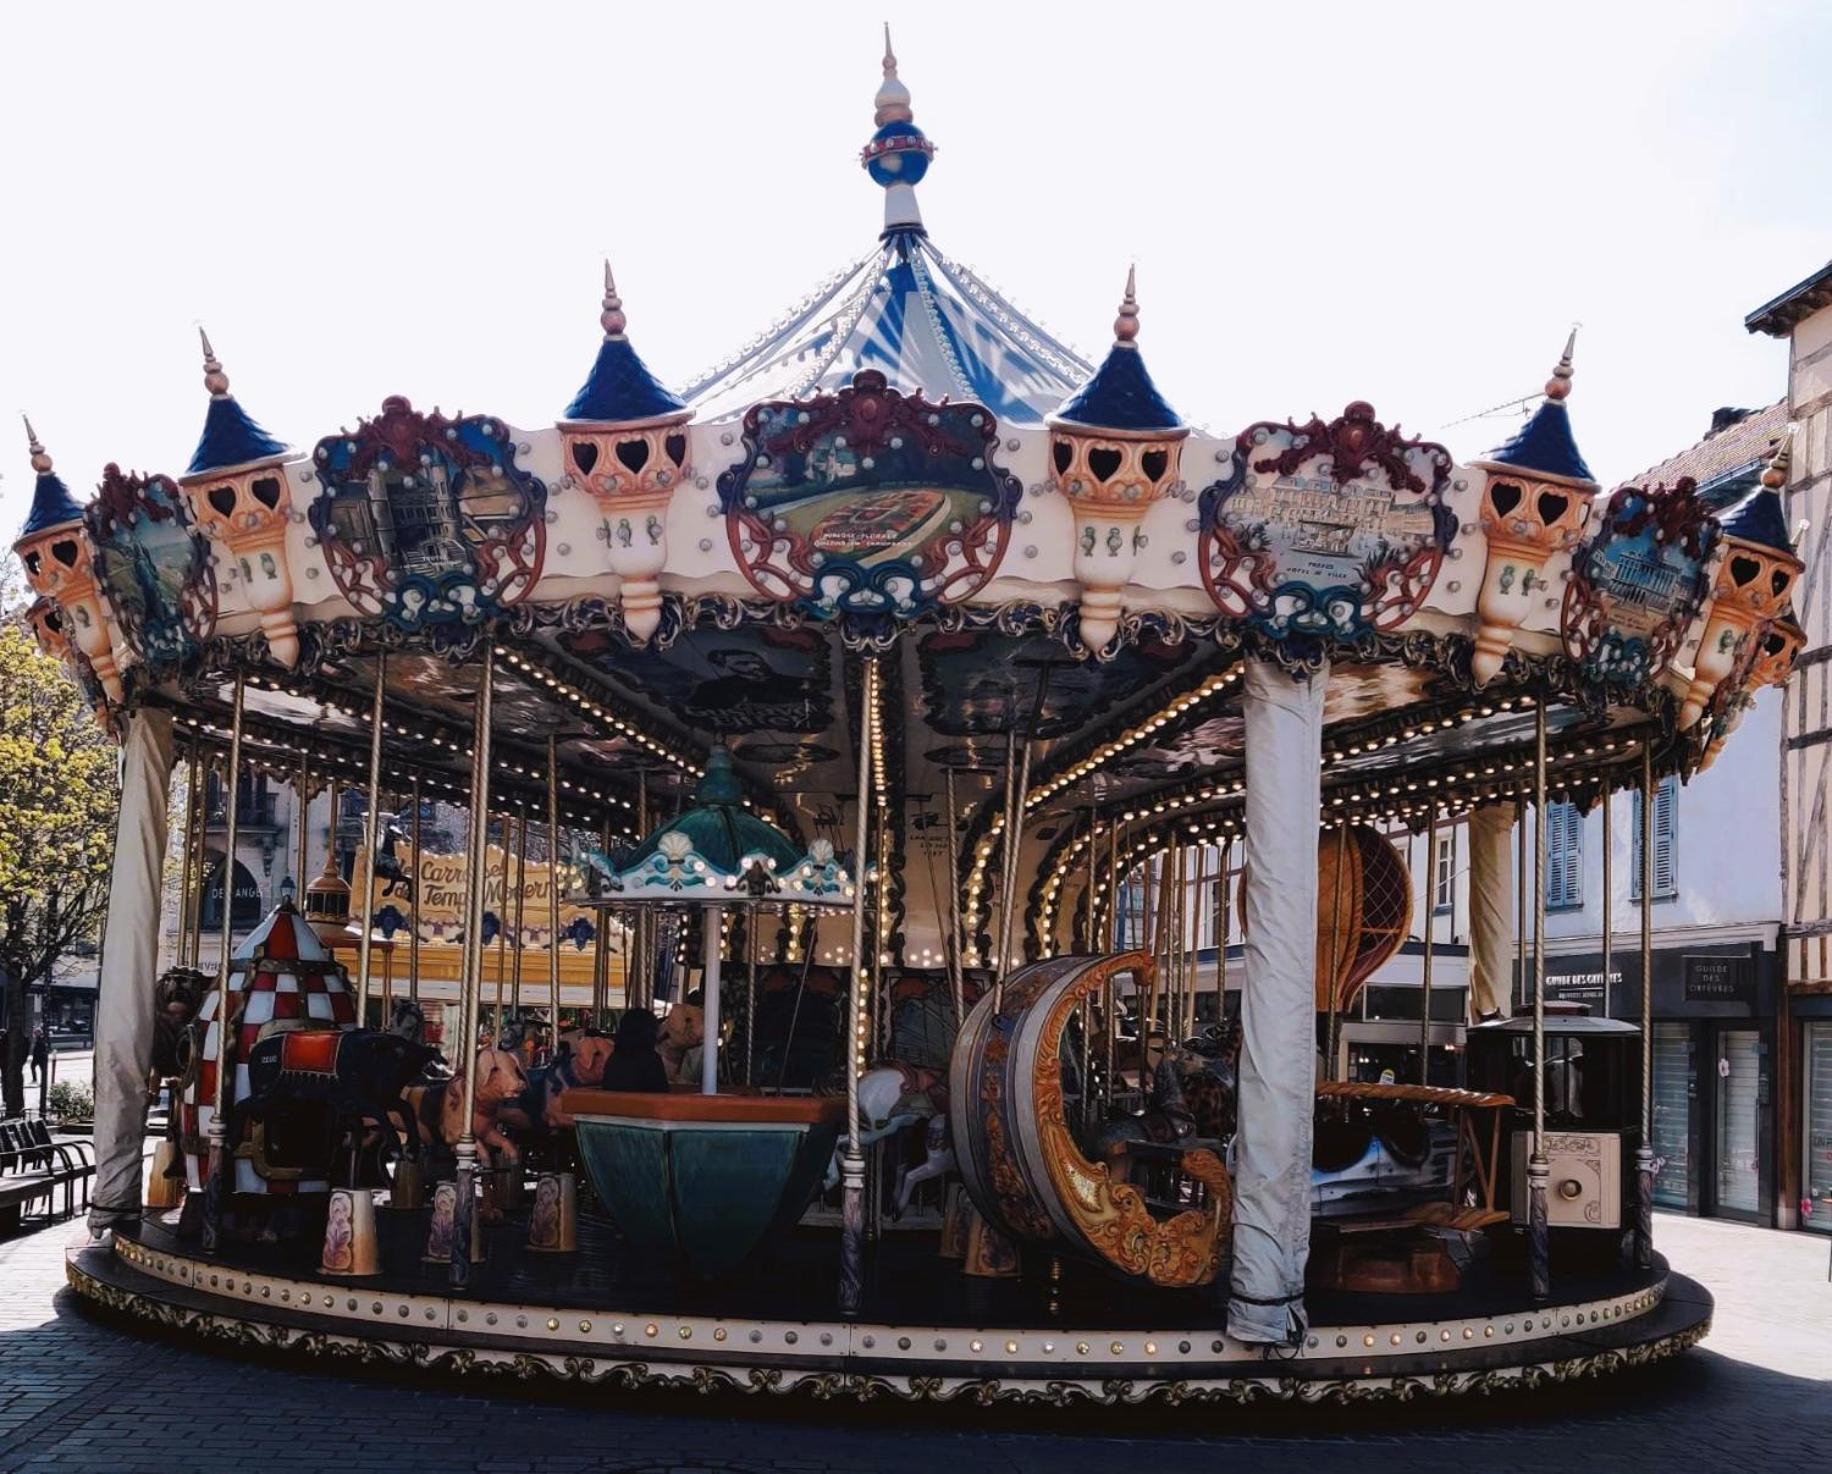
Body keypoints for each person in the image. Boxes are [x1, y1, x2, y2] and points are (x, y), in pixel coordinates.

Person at [600, 1009, 670, 1094]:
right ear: (650, 1032)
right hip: (644, 1106)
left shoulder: (613, 1059)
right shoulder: (651, 1060)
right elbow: (662, 1093)